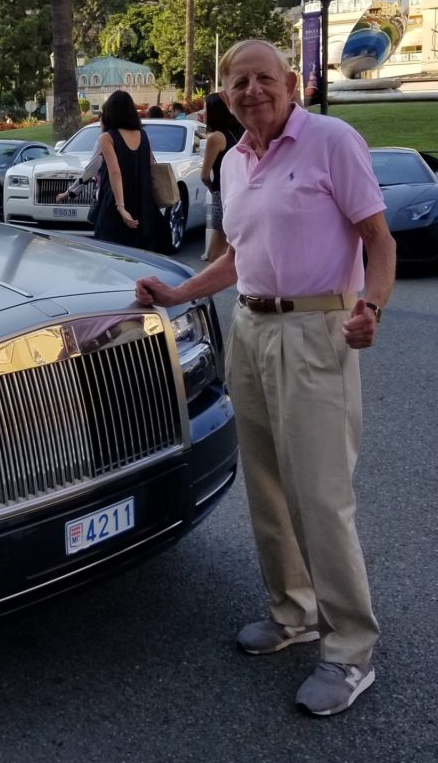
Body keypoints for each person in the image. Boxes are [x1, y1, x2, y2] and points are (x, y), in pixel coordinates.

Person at [135, 39, 395, 717]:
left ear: (291, 83)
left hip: (317, 330)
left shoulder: (332, 141)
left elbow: (379, 239)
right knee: (269, 488)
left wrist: (370, 307)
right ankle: (293, 612)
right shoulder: (235, 164)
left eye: (264, 78)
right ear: (222, 95)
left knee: (320, 495)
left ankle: (350, 650)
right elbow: (235, 259)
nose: (251, 91)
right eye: (237, 82)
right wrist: (177, 292)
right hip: (251, 329)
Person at [56, 89, 168, 252]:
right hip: (143, 202)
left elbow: (104, 171)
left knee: (109, 252)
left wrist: (120, 206)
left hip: (114, 203)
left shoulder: (107, 137)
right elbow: (152, 166)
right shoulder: (142, 135)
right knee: (140, 254)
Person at [199, 91, 244, 263]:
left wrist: (212, 188)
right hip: (241, 193)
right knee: (233, 248)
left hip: (222, 195)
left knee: (215, 254)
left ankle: (204, 289)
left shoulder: (216, 137)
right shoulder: (242, 132)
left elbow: (204, 175)